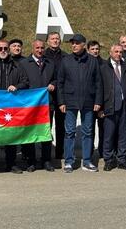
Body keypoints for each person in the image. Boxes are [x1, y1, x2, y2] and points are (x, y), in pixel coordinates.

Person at [57, 34, 102, 173]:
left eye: (77, 43)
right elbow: (60, 83)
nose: (74, 45)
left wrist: (98, 101)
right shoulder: (66, 60)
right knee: (69, 132)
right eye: (72, 43)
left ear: (83, 45)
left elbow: (98, 83)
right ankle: (69, 162)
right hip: (70, 102)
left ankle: (87, 161)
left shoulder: (93, 61)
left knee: (88, 132)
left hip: (88, 101)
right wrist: (61, 101)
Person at [0, 39, 28, 174]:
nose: (3, 51)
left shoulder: (17, 65)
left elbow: (25, 82)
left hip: (11, 106)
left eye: (5, 49)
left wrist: (17, 86)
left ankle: (11, 164)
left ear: (9, 50)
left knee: (11, 136)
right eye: (0, 49)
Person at [20, 39, 56, 172]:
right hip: (30, 106)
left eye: (42, 48)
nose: (40, 50)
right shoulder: (24, 64)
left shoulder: (50, 63)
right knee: (30, 133)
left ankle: (46, 161)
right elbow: (22, 82)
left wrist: (54, 84)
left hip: (47, 104)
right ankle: (31, 161)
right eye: (37, 48)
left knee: (46, 133)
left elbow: (57, 78)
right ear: (32, 48)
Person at [99, 44, 126, 171]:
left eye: (120, 52)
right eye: (116, 51)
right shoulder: (103, 68)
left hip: (124, 107)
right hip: (109, 106)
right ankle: (108, 160)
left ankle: (122, 160)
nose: (119, 54)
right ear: (110, 52)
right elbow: (100, 89)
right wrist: (101, 107)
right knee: (109, 135)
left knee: (123, 135)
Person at [44, 31, 67, 159]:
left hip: (62, 96)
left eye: (57, 38)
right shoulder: (43, 55)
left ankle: (60, 153)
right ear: (48, 41)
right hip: (47, 97)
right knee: (47, 127)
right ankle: (46, 155)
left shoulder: (65, 56)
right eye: (52, 39)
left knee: (61, 127)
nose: (55, 41)